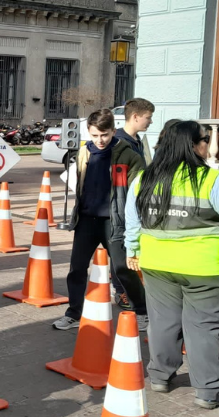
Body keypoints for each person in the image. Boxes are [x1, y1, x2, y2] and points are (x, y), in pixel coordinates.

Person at [126, 120, 219, 410]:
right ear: (194, 145)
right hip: (205, 269)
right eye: (205, 138)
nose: (207, 142)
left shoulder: (145, 178)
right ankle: (208, 392)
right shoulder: (211, 178)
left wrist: (131, 250)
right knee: (203, 329)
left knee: (163, 322)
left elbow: (132, 218)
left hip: (157, 264)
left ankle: (160, 376)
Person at [52, 109, 148, 331]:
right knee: (76, 268)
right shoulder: (84, 153)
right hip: (86, 220)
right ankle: (73, 313)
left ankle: (142, 311)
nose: (100, 140)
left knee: (123, 269)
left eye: (104, 134)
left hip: (114, 222)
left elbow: (138, 194)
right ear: (88, 132)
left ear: (113, 131)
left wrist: (133, 225)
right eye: (95, 135)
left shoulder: (130, 156)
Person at [116, 98, 155, 163]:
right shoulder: (119, 142)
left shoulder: (137, 140)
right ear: (135, 117)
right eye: (148, 118)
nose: (151, 121)